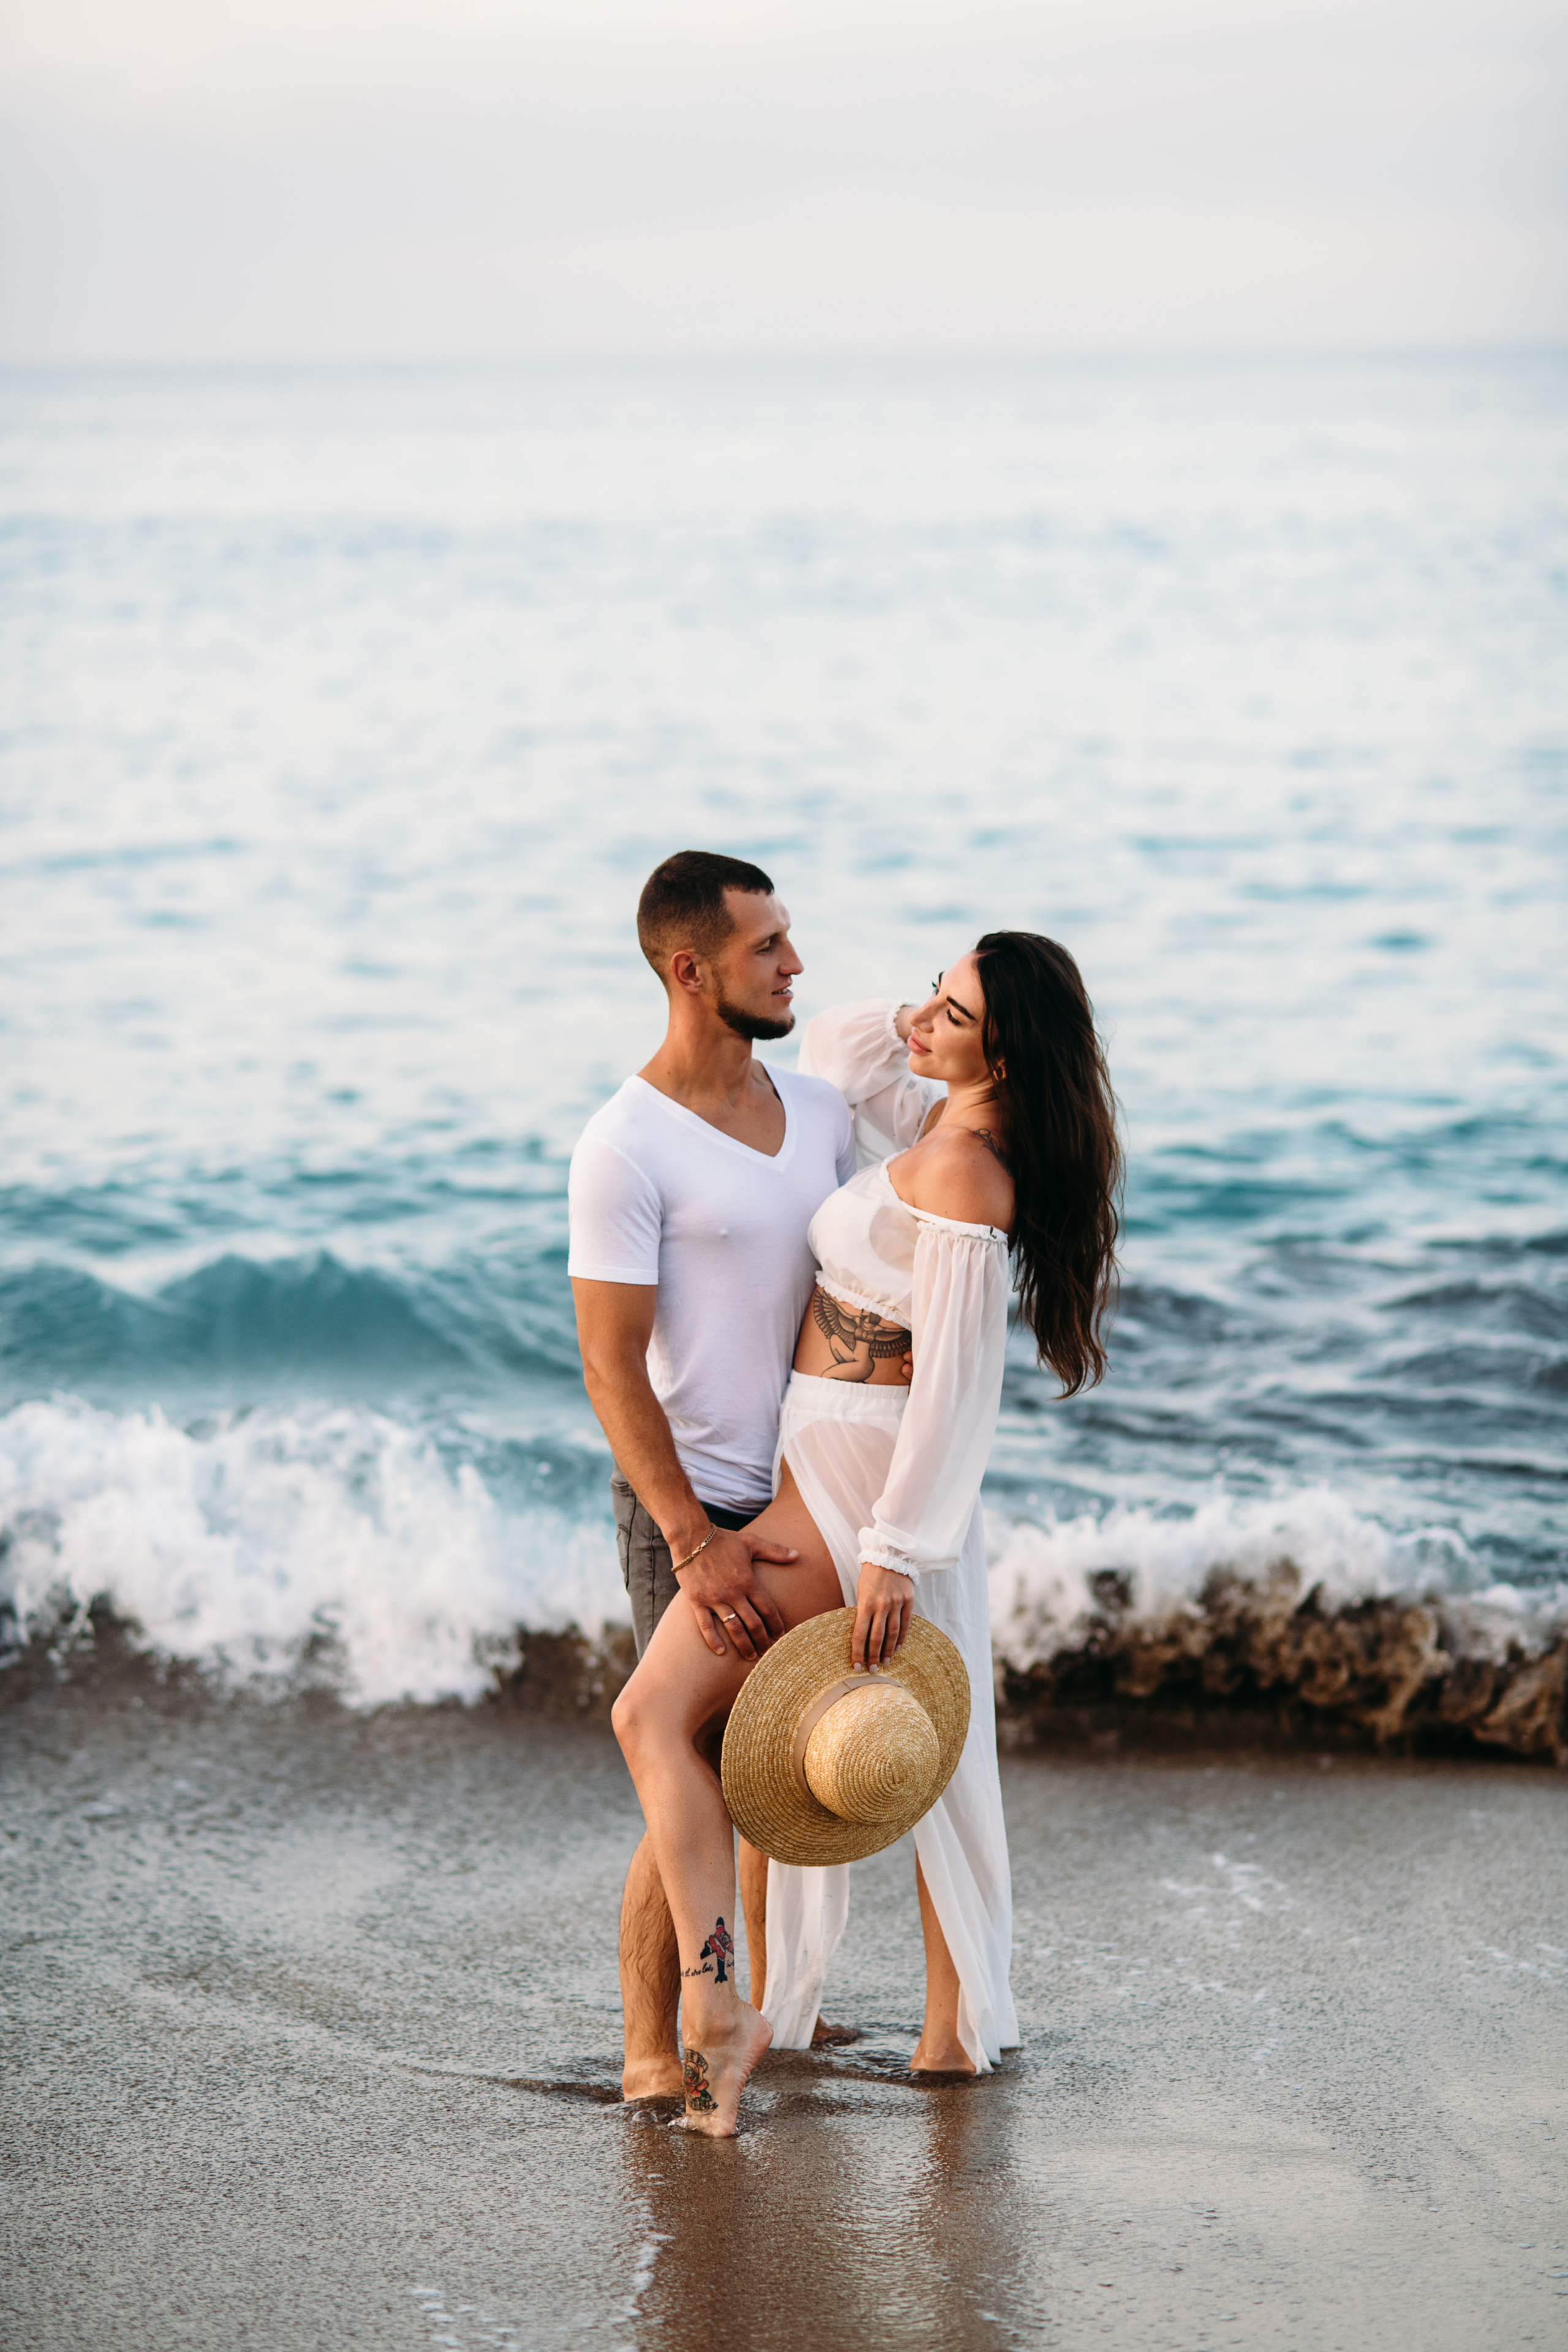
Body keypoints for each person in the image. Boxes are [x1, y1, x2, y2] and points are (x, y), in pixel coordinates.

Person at [612, 932, 1121, 2135]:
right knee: (925, 1762)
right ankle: (933, 2034)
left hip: (856, 1489)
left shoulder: (964, 1172)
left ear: (1005, 1048)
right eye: (932, 996)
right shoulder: (934, 1125)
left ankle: (730, 2004)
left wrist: (897, 1543)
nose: (921, 1020)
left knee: (672, 1720)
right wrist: (923, 1017)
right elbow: (845, 1052)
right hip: (829, 1462)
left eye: (953, 1012)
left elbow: (955, 1381)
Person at [568, 850, 858, 2100]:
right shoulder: (624, 1147)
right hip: (687, 1508)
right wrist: (691, 1536)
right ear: (689, 971)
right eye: (766, 948)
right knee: (680, 1767)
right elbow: (610, 1365)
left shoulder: (823, 1112)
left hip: (803, 1501)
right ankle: (650, 2049)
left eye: (788, 939)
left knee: (752, 1776)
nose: (794, 963)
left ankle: (739, 2019)